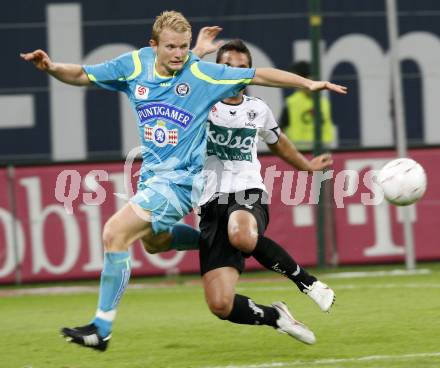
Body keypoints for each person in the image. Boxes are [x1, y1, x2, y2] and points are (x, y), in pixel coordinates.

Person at [20, 11, 346, 351]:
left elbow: (260, 75)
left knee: (114, 233)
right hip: (152, 179)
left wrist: (307, 83)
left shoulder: (202, 74)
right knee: (155, 243)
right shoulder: (134, 65)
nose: (179, 54)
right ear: (153, 47)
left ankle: (101, 328)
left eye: (185, 47)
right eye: (172, 47)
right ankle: (210, 244)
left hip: (183, 183)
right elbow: (84, 74)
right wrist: (52, 67)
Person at [193, 40, 334, 345]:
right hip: (209, 204)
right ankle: (277, 317)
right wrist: (198, 50)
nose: (235, 72)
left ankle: (308, 284)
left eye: (243, 68)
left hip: (247, 193)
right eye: (227, 65)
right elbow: (175, 75)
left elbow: (278, 141)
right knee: (221, 305)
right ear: (216, 69)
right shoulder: (199, 101)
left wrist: (307, 168)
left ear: (250, 74)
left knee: (242, 235)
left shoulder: (257, 109)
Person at [280, 61, 337, 150]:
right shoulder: (291, 102)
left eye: (313, 80)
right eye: (309, 81)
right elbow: (281, 130)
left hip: (323, 150)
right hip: (299, 152)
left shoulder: (324, 102)